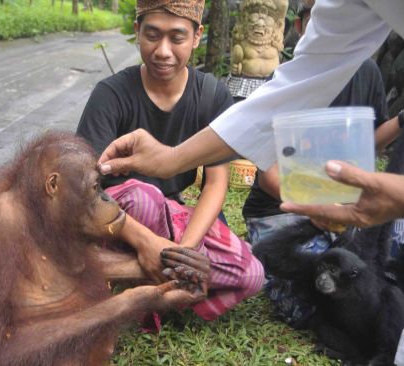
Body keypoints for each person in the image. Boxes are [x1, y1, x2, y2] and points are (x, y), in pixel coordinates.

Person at [96, 0, 404, 363]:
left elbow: (372, 149)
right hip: (302, 208)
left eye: (177, 36)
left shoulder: (365, 76)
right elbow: (292, 88)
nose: (163, 49)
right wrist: (172, 159)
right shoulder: (117, 94)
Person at [242, 0, 404, 327]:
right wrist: (320, 211)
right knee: (306, 302)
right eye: (323, 19)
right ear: (300, 27)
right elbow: (269, 176)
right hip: (284, 210)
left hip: (347, 208)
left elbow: (368, 143)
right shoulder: (284, 80)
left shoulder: (366, 71)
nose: (336, 29)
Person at [76, 0, 264, 321]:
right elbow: (84, 191)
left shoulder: (212, 96)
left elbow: (216, 183)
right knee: (141, 194)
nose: (163, 51)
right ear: (137, 32)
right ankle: (147, 274)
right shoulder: (110, 95)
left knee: (252, 274)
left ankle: (153, 279)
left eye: (176, 37)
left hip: (172, 218)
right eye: (152, 35)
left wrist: (186, 252)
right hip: (119, 222)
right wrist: (145, 241)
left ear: (196, 36)